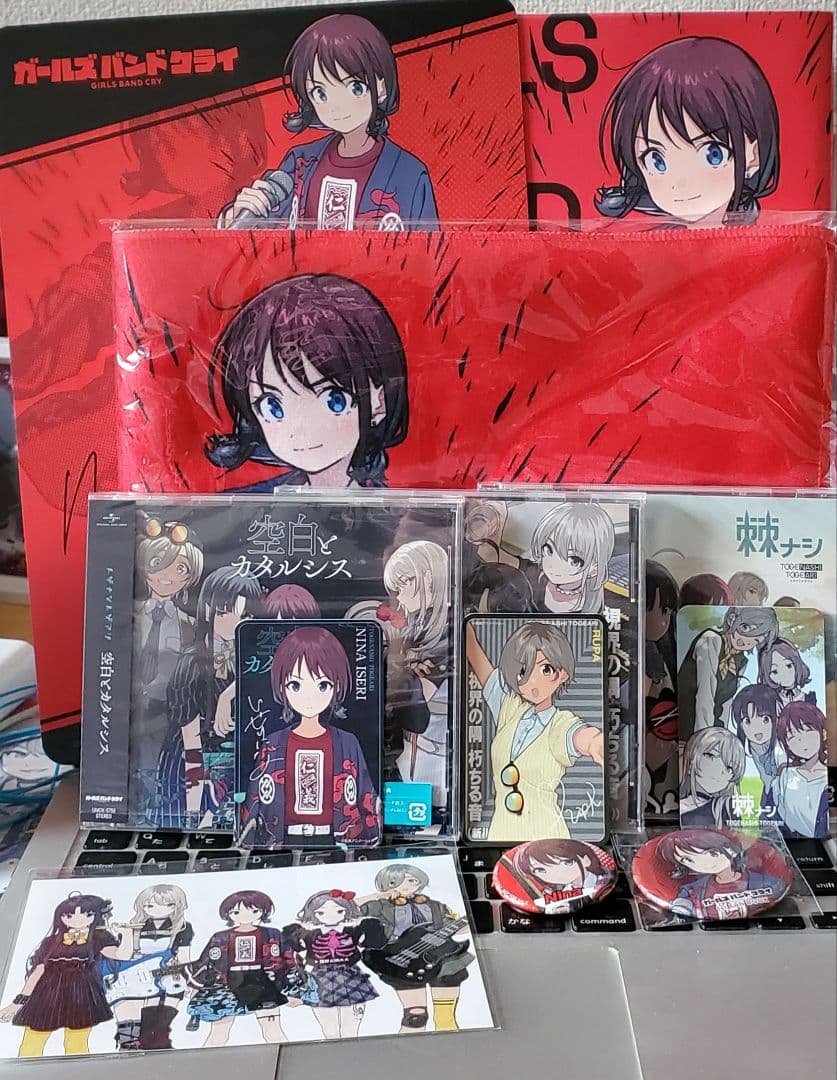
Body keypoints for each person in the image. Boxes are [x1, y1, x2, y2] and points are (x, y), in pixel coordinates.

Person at [219, 13, 438, 231]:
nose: (337, 108)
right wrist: (235, 216)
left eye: (355, 88)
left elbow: (431, 248)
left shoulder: (409, 173)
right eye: (320, 93)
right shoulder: (300, 163)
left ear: (380, 88)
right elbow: (265, 235)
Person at [205, 274, 408, 490]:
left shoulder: (399, 504)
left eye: (335, 401)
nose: (300, 430)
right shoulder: (248, 502)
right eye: (272, 407)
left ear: (379, 402)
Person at [596, 36, 779, 225]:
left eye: (713, 154)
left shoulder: (765, 237)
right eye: (655, 160)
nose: (681, 183)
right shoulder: (644, 241)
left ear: (753, 156)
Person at [465, 620, 604, 841]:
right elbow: (474, 653)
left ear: (563, 674)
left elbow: (577, 736)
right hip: (500, 834)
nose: (532, 681)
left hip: (546, 838)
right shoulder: (510, 706)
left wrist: (595, 742)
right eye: (523, 670)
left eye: (545, 669)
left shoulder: (559, 723)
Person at [243, 626, 381, 848]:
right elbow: (255, 801)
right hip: (281, 842)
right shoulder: (273, 744)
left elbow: (366, 798)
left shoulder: (347, 743)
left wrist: (369, 846)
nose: (309, 697)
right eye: (296, 685)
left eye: (322, 685)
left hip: (337, 841)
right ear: (282, 686)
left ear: (336, 686)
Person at [155, 566, 262, 831]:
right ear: (207, 609)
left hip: (229, 771)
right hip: (190, 772)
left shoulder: (245, 658)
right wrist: (195, 814)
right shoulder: (192, 665)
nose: (235, 624)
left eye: (245, 616)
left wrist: (228, 694)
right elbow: (192, 748)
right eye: (225, 613)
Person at [0, 894, 131, 1057]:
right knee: (32, 1042)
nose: (77, 919)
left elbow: (121, 955)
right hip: (47, 993)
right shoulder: (50, 941)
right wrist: (17, 1003)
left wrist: (127, 935)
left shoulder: (99, 937)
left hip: (81, 993)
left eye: (87, 914)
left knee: (77, 1044)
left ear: (96, 916)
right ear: (61, 917)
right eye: (69, 915)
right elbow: (38, 971)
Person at [132, 516, 203, 812]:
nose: (167, 575)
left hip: (169, 713)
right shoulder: (127, 618)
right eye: (158, 562)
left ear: (189, 577)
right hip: (129, 710)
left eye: (180, 568)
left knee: (163, 772)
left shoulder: (190, 626)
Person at [359, 864, 472, 1032]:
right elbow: (347, 908)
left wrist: (470, 923)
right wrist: (377, 896)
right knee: (416, 1017)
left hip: (442, 959)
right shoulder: (381, 905)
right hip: (400, 959)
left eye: (412, 880)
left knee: (445, 1016)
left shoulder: (435, 905)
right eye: (395, 882)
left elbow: (451, 926)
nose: (406, 885)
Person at [383, 541, 451, 811]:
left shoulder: (447, 634)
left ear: (428, 579)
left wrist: (402, 670)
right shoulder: (415, 632)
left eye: (403, 585)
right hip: (411, 751)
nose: (400, 598)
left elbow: (419, 710)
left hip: (436, 753)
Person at [186, 891, 302, 1047]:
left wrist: (293, 991)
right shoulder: (220, 937)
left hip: (263, 982)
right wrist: (195, 987)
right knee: (219, 1033)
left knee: (272, 1030)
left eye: (253, 910)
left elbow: (287, 960)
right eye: (236, 912)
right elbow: (206, 964)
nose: (245, 915)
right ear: (228, 913)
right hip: (229, 983)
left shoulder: (271, 934)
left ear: (262, 912)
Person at [102, 884, 192, 1052]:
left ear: (177, 906)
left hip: (162, 977)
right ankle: (127, 1046)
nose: (157, 909)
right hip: (130, 975)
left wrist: (183, 976)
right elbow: (124, 954)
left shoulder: (182, 928)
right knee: (128, 1017)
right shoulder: (134, 926)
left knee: (155, 1020)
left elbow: (184, 959)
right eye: (150, 905)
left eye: (167, 904)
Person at [286, 890, 384, 1039]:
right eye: (321, 912)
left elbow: (373, 942)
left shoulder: (354, 931)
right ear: (313, 914)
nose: (330, 916)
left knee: (351, 1031)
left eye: (339, 911)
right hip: (319, 979)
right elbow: (292, 955)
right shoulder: (307, 935)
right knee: (329, 1030)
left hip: (350, 977)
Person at [677, 606, 778, 740]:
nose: (747, 642)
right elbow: (705, 694)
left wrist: (722, 736)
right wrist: (704, 740)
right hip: (691, 726)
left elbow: (726, 704)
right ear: (731, 619)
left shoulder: (741, 661)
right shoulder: (711, 640)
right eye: (746, 628)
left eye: (756, 640)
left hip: (715, 731)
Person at [658, 830, 787, 920]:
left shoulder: (770, 884)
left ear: (730, 850)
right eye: (688, 860)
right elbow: (681, 907)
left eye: (712, 853)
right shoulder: (689, 891)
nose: (703, 863)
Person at [770, 702, 828, 837]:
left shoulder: (829, 778)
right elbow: (773, 816)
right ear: (786, 744)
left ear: (823, 733)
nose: (801, 741)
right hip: (789, 843)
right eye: (792, 736)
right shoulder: (784, 777)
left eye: (808, 731)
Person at [513, 839, 611, 914]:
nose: (555, 873)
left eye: (566, 862)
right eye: (540, 870)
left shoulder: (604, 880)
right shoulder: (558, 890)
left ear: (586, 860)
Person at [679, 727, 745, 828]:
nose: (720, 771)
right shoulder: (677, 806)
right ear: (691, 760)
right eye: (711, 756)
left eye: (729, 768)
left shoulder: (725, 808)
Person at [731, 683, 783, 801]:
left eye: (765, 719)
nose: (756, 729)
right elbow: (765, 775)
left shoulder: (783, 741)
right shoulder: (754, 745)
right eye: (747, 721)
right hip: (771, 790)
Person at [759, 639, 816, 708]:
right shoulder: (771, 701)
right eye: (775, 671)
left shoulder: (808, 698)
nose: (784, 674)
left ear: (796, 664)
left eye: (788, 666)